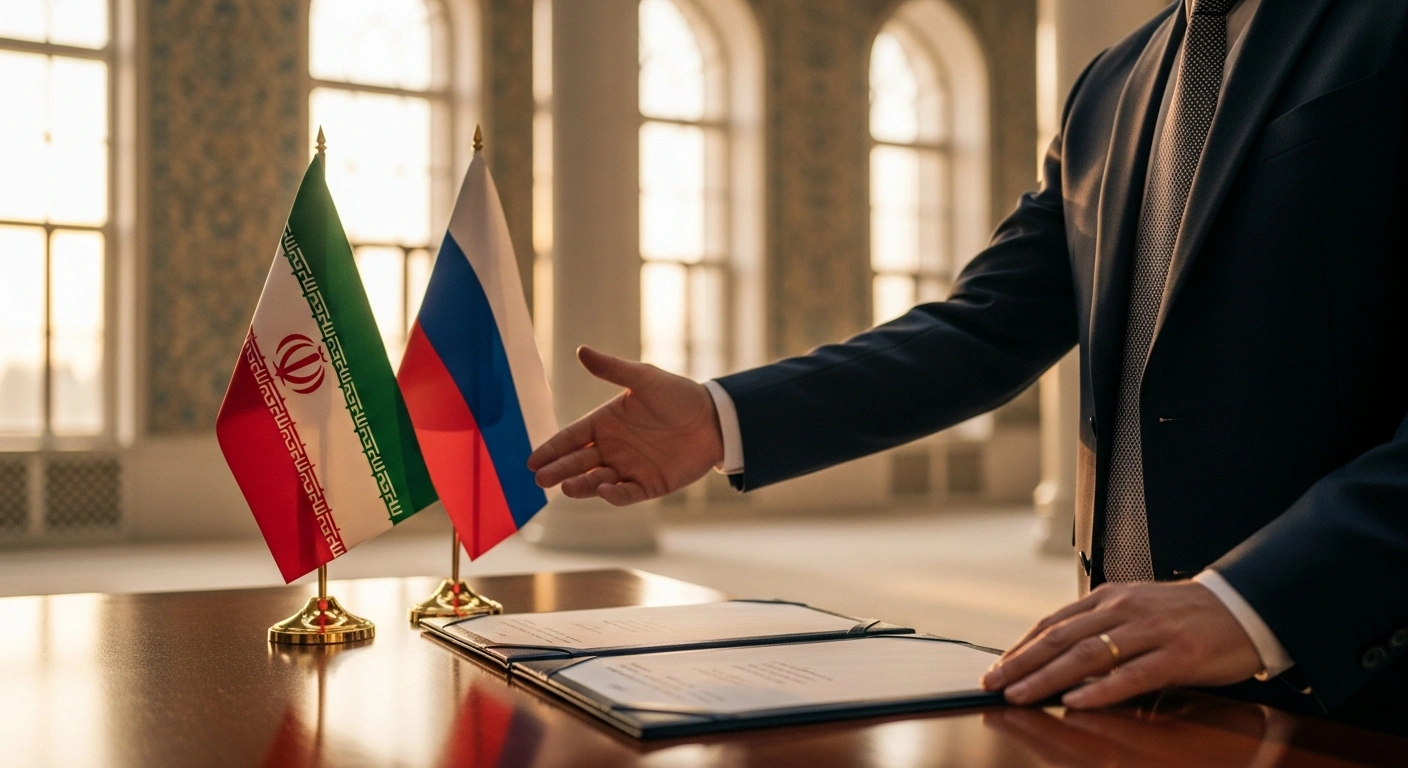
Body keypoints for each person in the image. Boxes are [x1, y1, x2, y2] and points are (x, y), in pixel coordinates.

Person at [529, 0, 1408, 729]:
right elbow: (981, 330)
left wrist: (1255, 600)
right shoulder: (1111, 86)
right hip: (1131, 678)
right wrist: (726, 416)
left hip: (1353, 667)